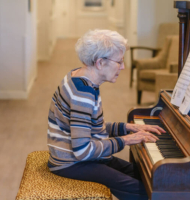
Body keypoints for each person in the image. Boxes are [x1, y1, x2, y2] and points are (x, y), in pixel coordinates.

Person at [47, 29, 165, 200]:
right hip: (71, 163)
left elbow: (89, 127)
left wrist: (127, 127)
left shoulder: (78, 76)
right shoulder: (83, 94)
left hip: (79, 157)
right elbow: (82, 151)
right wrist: (125, 140)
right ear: (100, 63)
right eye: (119, 61)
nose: (123, 67)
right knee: (144, 191)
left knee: (149, 175)